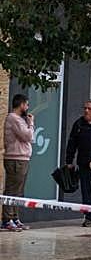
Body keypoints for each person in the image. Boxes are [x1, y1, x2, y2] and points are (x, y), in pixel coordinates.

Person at [64, 100, 91, 229]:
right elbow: (72, 144)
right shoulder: (79, 124)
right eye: (85, 108)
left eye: (89, 109)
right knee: (86, 191)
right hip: (84, 163)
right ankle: (89, 217)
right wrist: (69, 161)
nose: (86, 111)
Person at [3, 94, 34, 231]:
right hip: (15, 158)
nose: (27, 107)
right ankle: (7, 219)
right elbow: (28, 136)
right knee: (12, 190)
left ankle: (15, 217)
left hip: (23, 158)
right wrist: (31, 123)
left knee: (19, 192)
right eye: (26, 104)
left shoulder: (19, 120)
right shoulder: (13, 118)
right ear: (21, 105)